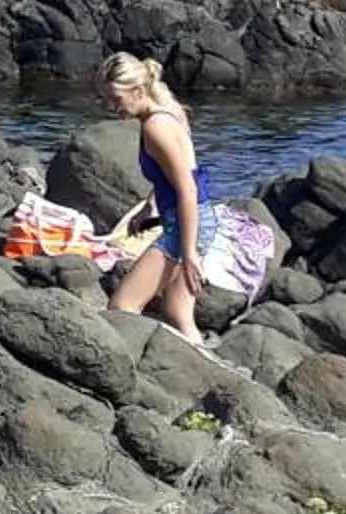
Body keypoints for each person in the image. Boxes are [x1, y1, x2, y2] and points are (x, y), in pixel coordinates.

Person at [101, 50, 271, 344]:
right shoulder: (168, 110)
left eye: (115, 98)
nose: (110, 106)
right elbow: (177, 174)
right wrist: (149, 206)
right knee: (176, 315)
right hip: (199, 219)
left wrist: (189, 252)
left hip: (184, 227)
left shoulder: (155, 128)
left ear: (138, 90)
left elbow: (187, 189)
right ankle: (208, 371)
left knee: (122, 306)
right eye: (105, 99)